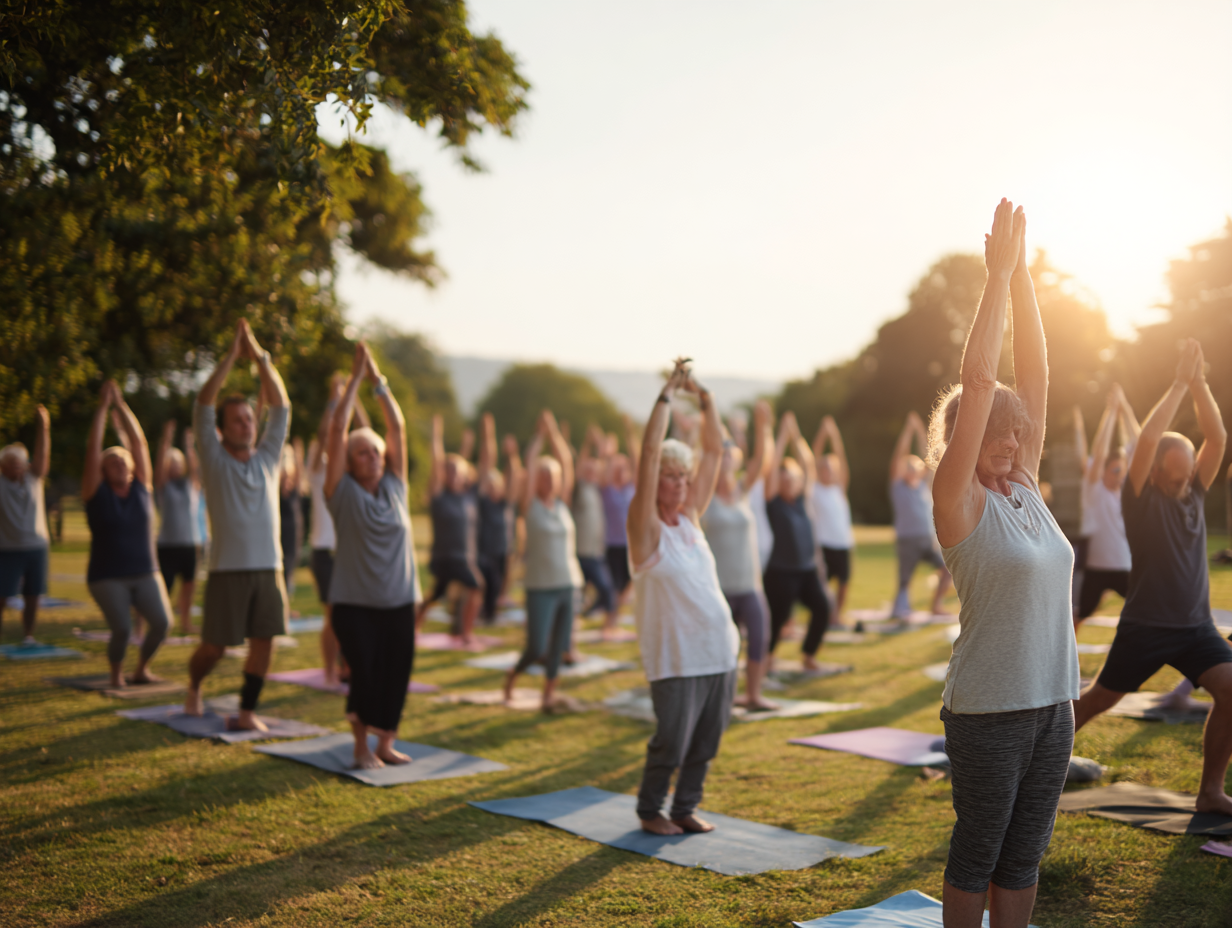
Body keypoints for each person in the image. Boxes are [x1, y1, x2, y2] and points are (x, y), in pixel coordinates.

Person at [929, 199, 1079, 928]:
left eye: (1020, 433)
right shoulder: (958, 500)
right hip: (990, 710)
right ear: (963, 436)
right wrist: (994, 278)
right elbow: (984, 378)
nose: (1015, 443)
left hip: (1055, 703)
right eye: (999, 433)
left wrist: (1024, 276)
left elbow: (1035, 374)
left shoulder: (1024, 487)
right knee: (980, 850)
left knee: (1025, 855)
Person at [1073, 338, 1232, 815]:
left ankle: (1209, 792)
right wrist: (1180, 383)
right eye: (1177, 476)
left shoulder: (1195, 493)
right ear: (1159, 473)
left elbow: (1217, 437)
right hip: (1146, 627)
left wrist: (1201, 384)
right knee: (1099, 699)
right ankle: (1032, 763)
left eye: (1189, 475)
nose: (1186, 482)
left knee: (1231, 690)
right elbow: (1144, 441)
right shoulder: (1139, 500)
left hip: (1195, 627)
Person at [628, 359, 739, 836]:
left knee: (706, 742)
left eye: (683, 476)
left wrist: (707, 398)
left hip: (719, 650)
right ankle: (652, 809)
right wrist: (667, 396)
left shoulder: (691, 517)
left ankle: (685, 806)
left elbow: (714, 451)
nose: (680, 483)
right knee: (670, 741)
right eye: (671, 477)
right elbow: (650, 452)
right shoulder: (646, 528)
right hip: (675, 658)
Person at [185, 320, 290, 731]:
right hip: (227, 569)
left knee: (266, 641)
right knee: (214, 648)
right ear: (223, 430)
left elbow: (280, 407)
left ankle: (246, 712)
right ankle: (194, 686)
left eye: (250, 418)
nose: (247, 425)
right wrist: (231, 356)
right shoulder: (213, 459)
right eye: (238, 421)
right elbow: (202, 405)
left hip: (269, 567)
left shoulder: (268, 459)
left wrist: (260, 357)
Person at [324, 343, 420, 769]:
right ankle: (361, 748)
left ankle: (385, 744)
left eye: (377, 452)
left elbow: (396, 428)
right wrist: (354, 382)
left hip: (399, 599)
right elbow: (335, 431)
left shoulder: (396, 486)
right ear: (349, 459)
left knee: (396, 674)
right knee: (363, 674)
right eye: (363, 452)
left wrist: (379, 381)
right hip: (354, 603)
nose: (374, 457)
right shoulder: (341, 493)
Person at [82, 382, 172, 687]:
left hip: (146, 572)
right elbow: (93, 449)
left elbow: (140, 444)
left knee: (162, 624)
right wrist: (103, 410)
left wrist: (121, 405)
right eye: (111, 462)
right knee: (121, 628)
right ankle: (116, 675)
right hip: (107, 576)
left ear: (132, 467)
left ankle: (141, 670)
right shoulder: (95, 493)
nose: (119, 463)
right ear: (103, 471)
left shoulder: (141, 489)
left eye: (123, 460)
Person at [502, 410, 584, 711]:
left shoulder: (562, 504)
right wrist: (540, 438)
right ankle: (512, 676)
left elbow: (567, 462)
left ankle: (548, 694)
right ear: (536, 480)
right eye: (544, 476)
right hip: (540, 585)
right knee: (536, 646)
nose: (549, 480)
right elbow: (531, 463)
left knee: (559, 646)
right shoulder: (531, 506)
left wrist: (556, 436)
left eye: (553, 477)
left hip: (569, 583)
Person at [702, 399, 776, 709]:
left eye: (731, 458)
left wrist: (763, 427)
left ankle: (754, 695)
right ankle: (721, 697)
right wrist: (707, 414)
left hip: (750, 584)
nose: (728, 463)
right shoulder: (704, 498)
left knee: (759, 638)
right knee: (722, 647)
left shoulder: (742, 492)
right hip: (719, 588)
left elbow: (762, 461)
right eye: (723, 458)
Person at [307, 374, 370, 686]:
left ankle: (347, 667)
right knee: (334, 616)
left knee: (351, 614)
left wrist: (353, 396)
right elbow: (323, 435)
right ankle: (331, 672)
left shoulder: (349, 476)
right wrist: (335, 398)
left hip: (348, 551)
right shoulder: (319, 471)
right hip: (324, 552)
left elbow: (367, 434)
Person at [763, 411, 832, 671]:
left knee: (823, 608)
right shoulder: (774, 503)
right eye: (783, 479)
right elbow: (772, 468)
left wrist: (796, 435)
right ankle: (767, 658)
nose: (787, 482)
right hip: (781, 572)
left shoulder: (802, 501)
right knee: (777, 619)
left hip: (807, 570)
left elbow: (808, 465)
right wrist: (782, 437)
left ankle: (809, 655)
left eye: (791, 478)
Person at [1074, 385, 1139, 627]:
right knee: (1081, 615)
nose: (1119, 475)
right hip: (1096, 569)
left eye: (1122, 471)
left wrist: (1125, 409)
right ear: (1103, 471)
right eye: (1114, 470)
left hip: (1124, 566)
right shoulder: (1094, 489)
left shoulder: (1126, 490)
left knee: (1146, 608)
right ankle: (1065, 656)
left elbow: (1139, 444)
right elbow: (1099, 452)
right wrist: (1111, 413)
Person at [419, 415, 482, 644]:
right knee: (474, 587)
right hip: (446, 556)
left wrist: (467, 446)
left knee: (438, 593)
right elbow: (437, 464)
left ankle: (461, 631)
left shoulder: (467, 496)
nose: (454, 474)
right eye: (450, 471)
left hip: (465, 556)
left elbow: (463, 462)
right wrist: (436, 437)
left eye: (458, 471)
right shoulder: (439, 496)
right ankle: (464, 633)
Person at [890, 411, 951, 618]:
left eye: (915, 468)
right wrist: (908, 431)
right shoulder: (898, 487)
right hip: (907, 540)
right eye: (908, 468)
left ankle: (935, 606)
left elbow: (929, 456)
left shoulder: (924, 486)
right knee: (905, 579)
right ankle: (898, 609)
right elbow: (899, 456)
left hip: (926, 540)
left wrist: (920, 432)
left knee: (947, 571)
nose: (912, 471)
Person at [0, 405, 51, 643]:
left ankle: (28, 635)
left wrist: (43, 426)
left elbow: (42, 455)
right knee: (2, 595)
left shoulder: (34, 479)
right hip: (8, 549)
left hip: (36, 547)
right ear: (3, 466)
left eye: (20, 462)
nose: (17, 466)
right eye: (12, 463)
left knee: (33, 595)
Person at [155, 420, 201, 635]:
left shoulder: (190, 485)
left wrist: (189, 444)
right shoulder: (164, 487)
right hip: (168, 545)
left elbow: (194, 467)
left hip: (190, 543)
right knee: (165, 587)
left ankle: (185, 622)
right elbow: (159, 469)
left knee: (189, 586)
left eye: (177, 462)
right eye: (171, 462)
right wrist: (166, 440)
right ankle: (161, 621)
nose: (175, 466)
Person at [811, 415, 855, 621]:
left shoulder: (839, 489)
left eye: (830, 468)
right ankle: (823, 613)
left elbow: (842, 458)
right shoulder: (815, 489)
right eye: (824, 468)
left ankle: (836, 615)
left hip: (843, 543)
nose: (828, 471)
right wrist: (822, 434)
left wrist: (835, 435)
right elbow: (813, 457)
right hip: (824, 544)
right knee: (823, 583)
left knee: (844, 582)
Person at [574, 425, 616, 635]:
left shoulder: (600, 489)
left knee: (606, 590)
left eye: (594, 470)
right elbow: (580, 464)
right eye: (588, 470)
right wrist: (588, 444)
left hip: (596, 552)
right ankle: (572, 626)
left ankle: (607, 628)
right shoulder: (580, 488)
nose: (591, 472)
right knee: (577, 594)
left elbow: (607, 465)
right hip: (580, 552)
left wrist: (603, 446)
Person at [475, 414, 512, 625]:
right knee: (488, 582)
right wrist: (487, 436)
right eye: (488, 483)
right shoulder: (482, 501)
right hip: (485, 549)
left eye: (494, 482)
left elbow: (513, 475)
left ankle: (490, 614)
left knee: (498, 585)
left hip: (502, 550)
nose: (491, 485)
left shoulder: (504, 503)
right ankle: (485, 613)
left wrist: (511, 456)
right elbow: (486, 464)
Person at [601, 420, 639, 613]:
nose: (622, 471)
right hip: (612, 545)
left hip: (630, 544)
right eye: (619, 468)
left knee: (630, 584)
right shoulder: (608, 491)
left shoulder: (631, 488)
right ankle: (611, 620)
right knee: (615, 587)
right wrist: (608, 453)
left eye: (625, 468)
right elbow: (607, 467)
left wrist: (629, 434)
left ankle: (615, 616)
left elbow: (637, 461)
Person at [279, 439, 307, 609]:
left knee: (289, 572)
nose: (288, 479)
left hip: (293, 537)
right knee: (281, 572)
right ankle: (283, 609)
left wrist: (298, 456)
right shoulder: (276, 492)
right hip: (279, 537)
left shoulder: (295, 492)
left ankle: (286, 608)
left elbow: (299, 475)